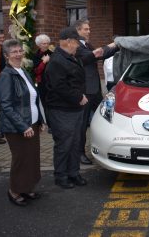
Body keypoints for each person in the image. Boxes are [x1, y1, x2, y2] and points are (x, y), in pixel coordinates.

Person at [0, 39, 45, 207]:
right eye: (14, 52)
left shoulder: (23, 71)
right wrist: (23, 126)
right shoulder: (6, 76)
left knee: (31, 158)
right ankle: (14, 191)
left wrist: (40, 121)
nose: (18, 54)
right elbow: (6, 106)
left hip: (32, 123)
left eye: (20, 51)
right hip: (17, 127)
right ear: (6, 55)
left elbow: (33, 99)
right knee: (21, 159)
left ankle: (27, 187)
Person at [44, 26, 88, 189]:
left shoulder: (69, 57)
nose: (78, 45)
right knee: (64, 144)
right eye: (76, 42)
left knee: (75, 143)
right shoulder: (57, 60)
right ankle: (61, 176)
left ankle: (73, 173)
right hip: (62, 110)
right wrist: (78, 97)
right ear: (68, 42)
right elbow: (59, 87)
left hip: (74, 109)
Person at [74, 19, 118, 165]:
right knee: (82, 125)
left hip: (95, 90)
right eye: (85, 29)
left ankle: (108, 147)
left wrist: (117, 47)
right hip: (84, 92)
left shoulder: (87, 45)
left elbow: (102, 55)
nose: (89, 31)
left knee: (105, 118)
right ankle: (79, 153)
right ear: (78, 30)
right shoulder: (76, 46)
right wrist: (113, 44)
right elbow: (94, 55)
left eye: (89, 29)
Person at [33, 34, 52, 125]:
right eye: (43, 43)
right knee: (45, 103)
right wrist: (44, 62)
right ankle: (49, 123)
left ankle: (54, 122)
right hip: (42, 83)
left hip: (52, 82)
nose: (46, 45)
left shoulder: (52, 53)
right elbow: (36, 71)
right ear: (39, 44)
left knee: (53, 103)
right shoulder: (36, 55)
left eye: (47, 43)